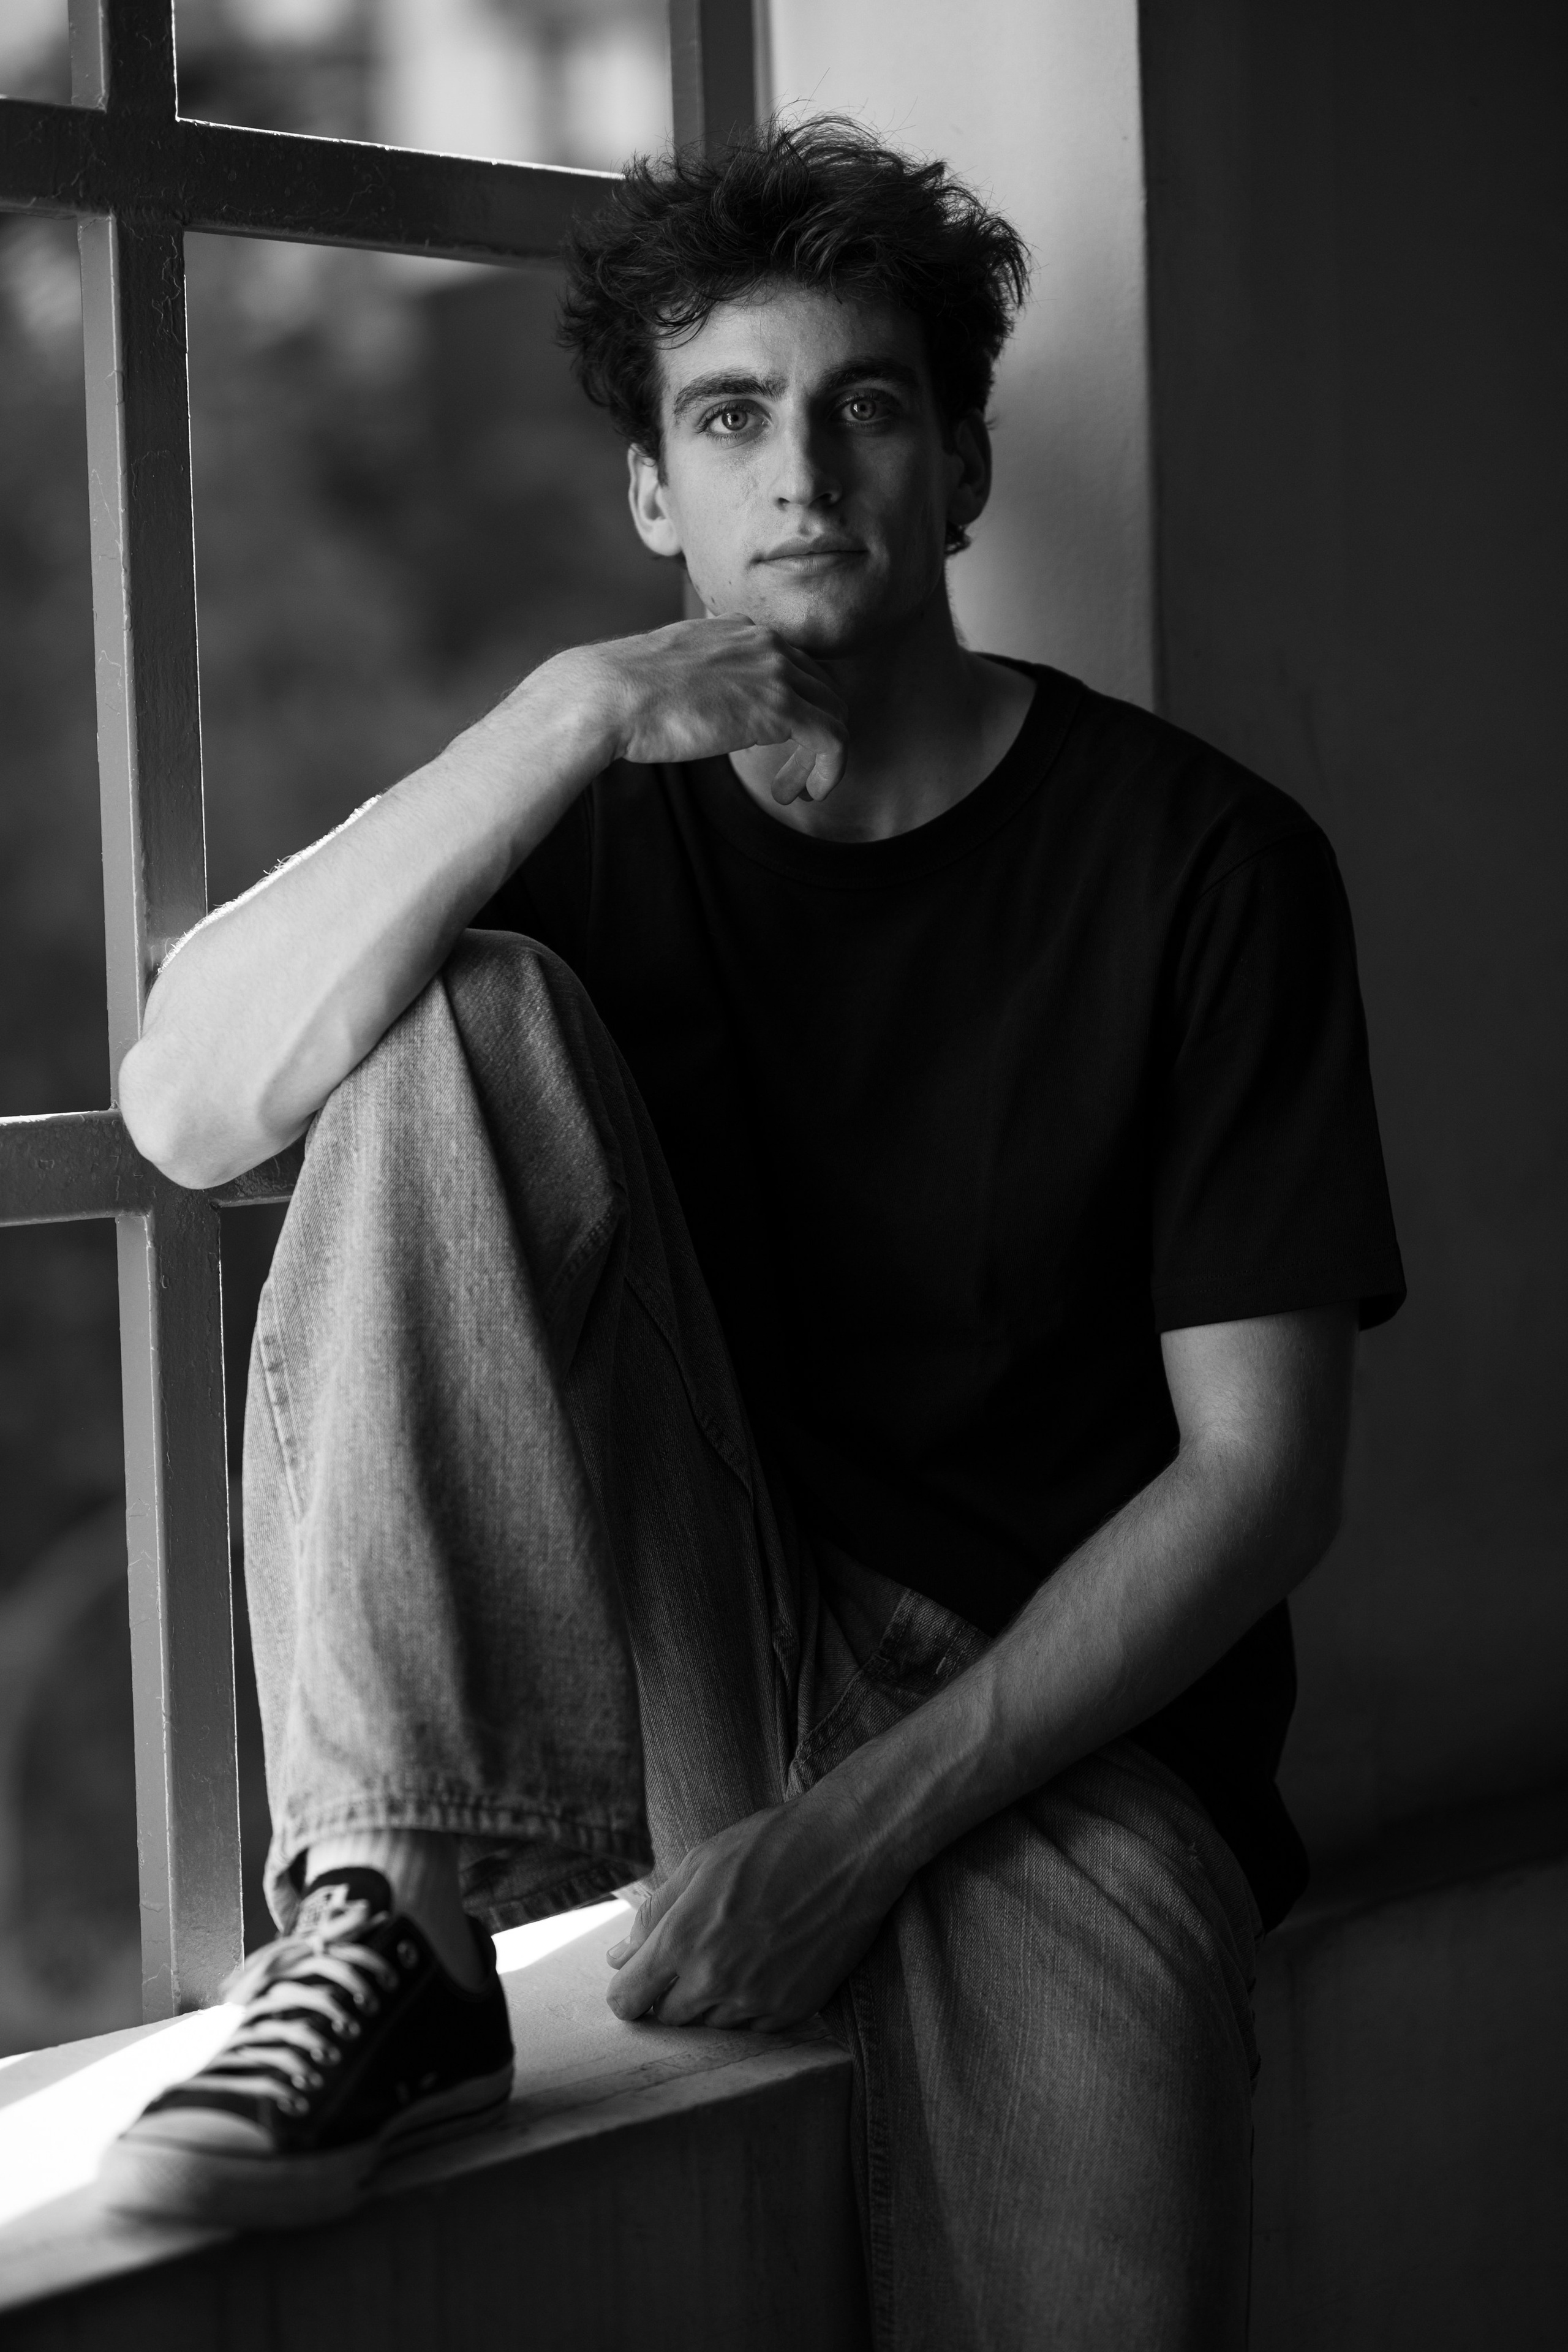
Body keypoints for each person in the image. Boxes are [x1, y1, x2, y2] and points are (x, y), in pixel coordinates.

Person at [100, 119, 1403, 2346]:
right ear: (654, 498)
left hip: (1051, 1732)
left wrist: (851, 1836)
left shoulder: (1206, 868)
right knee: (445, 1019)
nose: (801, 472)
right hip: (695, 1648)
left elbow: (1259, 1479)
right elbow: (189, 1103)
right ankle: (393, 1925)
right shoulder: (587, 797)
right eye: (730, 419)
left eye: (866, 406)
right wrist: (575, 708)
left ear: (963, 466)